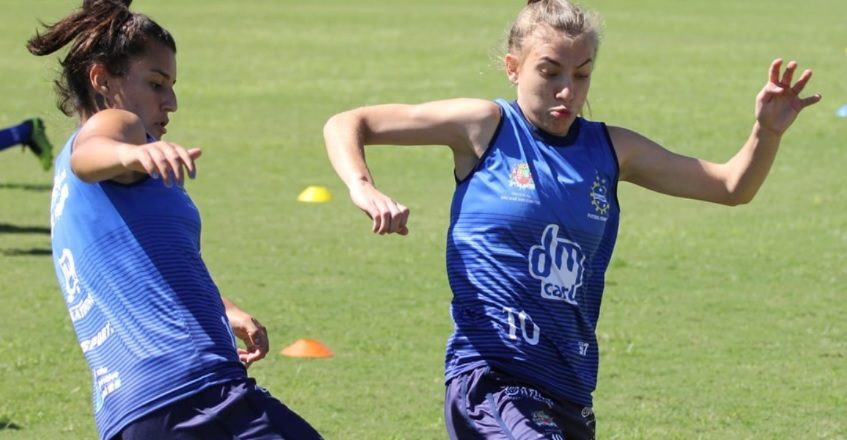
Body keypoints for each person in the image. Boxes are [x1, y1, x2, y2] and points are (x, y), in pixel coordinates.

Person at [323, 0, 822, 438]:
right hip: (492, 379)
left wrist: (767, 132)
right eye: (550, 72)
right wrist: (362, 186)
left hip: (568, 386)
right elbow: (349, 123)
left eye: (581, 74)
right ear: (513, 67)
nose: (566, 90)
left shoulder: (611, 149)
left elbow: (731, 187)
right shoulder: (485, 127)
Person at [29, 1, 323, 439]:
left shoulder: (77, 180)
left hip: (136, 412)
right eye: (155, 84)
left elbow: (138, 264)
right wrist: (132, 151)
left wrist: (225, 310)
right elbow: (91, 154)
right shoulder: (116, 129)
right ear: (101, 79)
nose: (172, 102)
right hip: (191, 393)